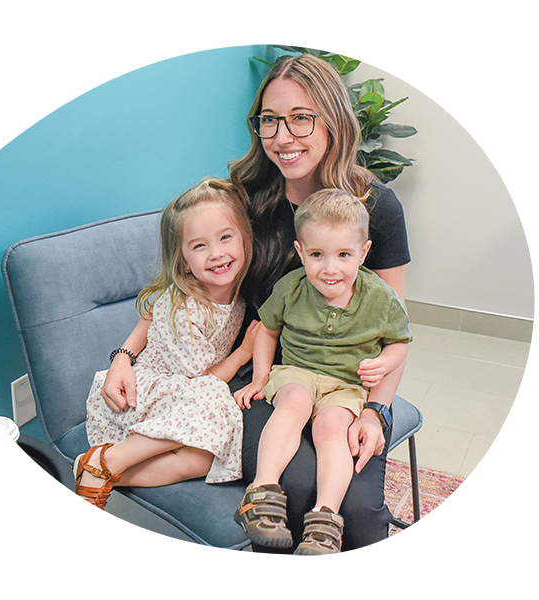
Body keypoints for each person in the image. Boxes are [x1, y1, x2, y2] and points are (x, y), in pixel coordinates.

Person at [227, 53, 411, 555]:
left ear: (333, 121)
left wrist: (375, 413)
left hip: (350, 383)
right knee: (295, 488)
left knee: (354, 504)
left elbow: (393, 330)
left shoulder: (376, 207)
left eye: (301, 118)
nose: (283, 136)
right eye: (270, 119)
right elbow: (192, 279)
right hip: (274, 379)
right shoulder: (248, 196)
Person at [75, 179, 259, 510]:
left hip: (183, 392)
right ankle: (114, 458)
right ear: (184, 261)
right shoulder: (187, 308)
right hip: (152, 395)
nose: (217, 254)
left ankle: (97, 468)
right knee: (216, 403)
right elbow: (204, 382)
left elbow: (148, 317)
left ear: (244, 238)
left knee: (205, 461)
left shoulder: (235, 290)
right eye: (199, 246)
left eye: (225, 238)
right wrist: (244, 352)